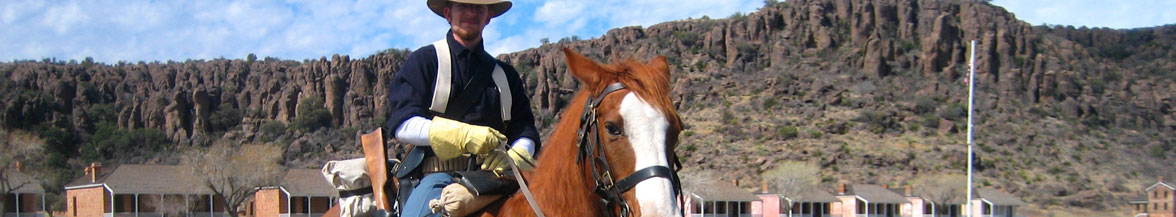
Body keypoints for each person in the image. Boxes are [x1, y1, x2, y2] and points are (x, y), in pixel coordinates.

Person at [385, 0, 540, 216]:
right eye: (463, 6)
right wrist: (461, 135)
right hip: (439, 177)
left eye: (478, 7)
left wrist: (519, 153)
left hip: (497, 178)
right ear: (448, 14)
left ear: (488, 17)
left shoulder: (506, 75)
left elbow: (524, 127)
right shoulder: (425, 61)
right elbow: (403, 122)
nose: (471, 12)